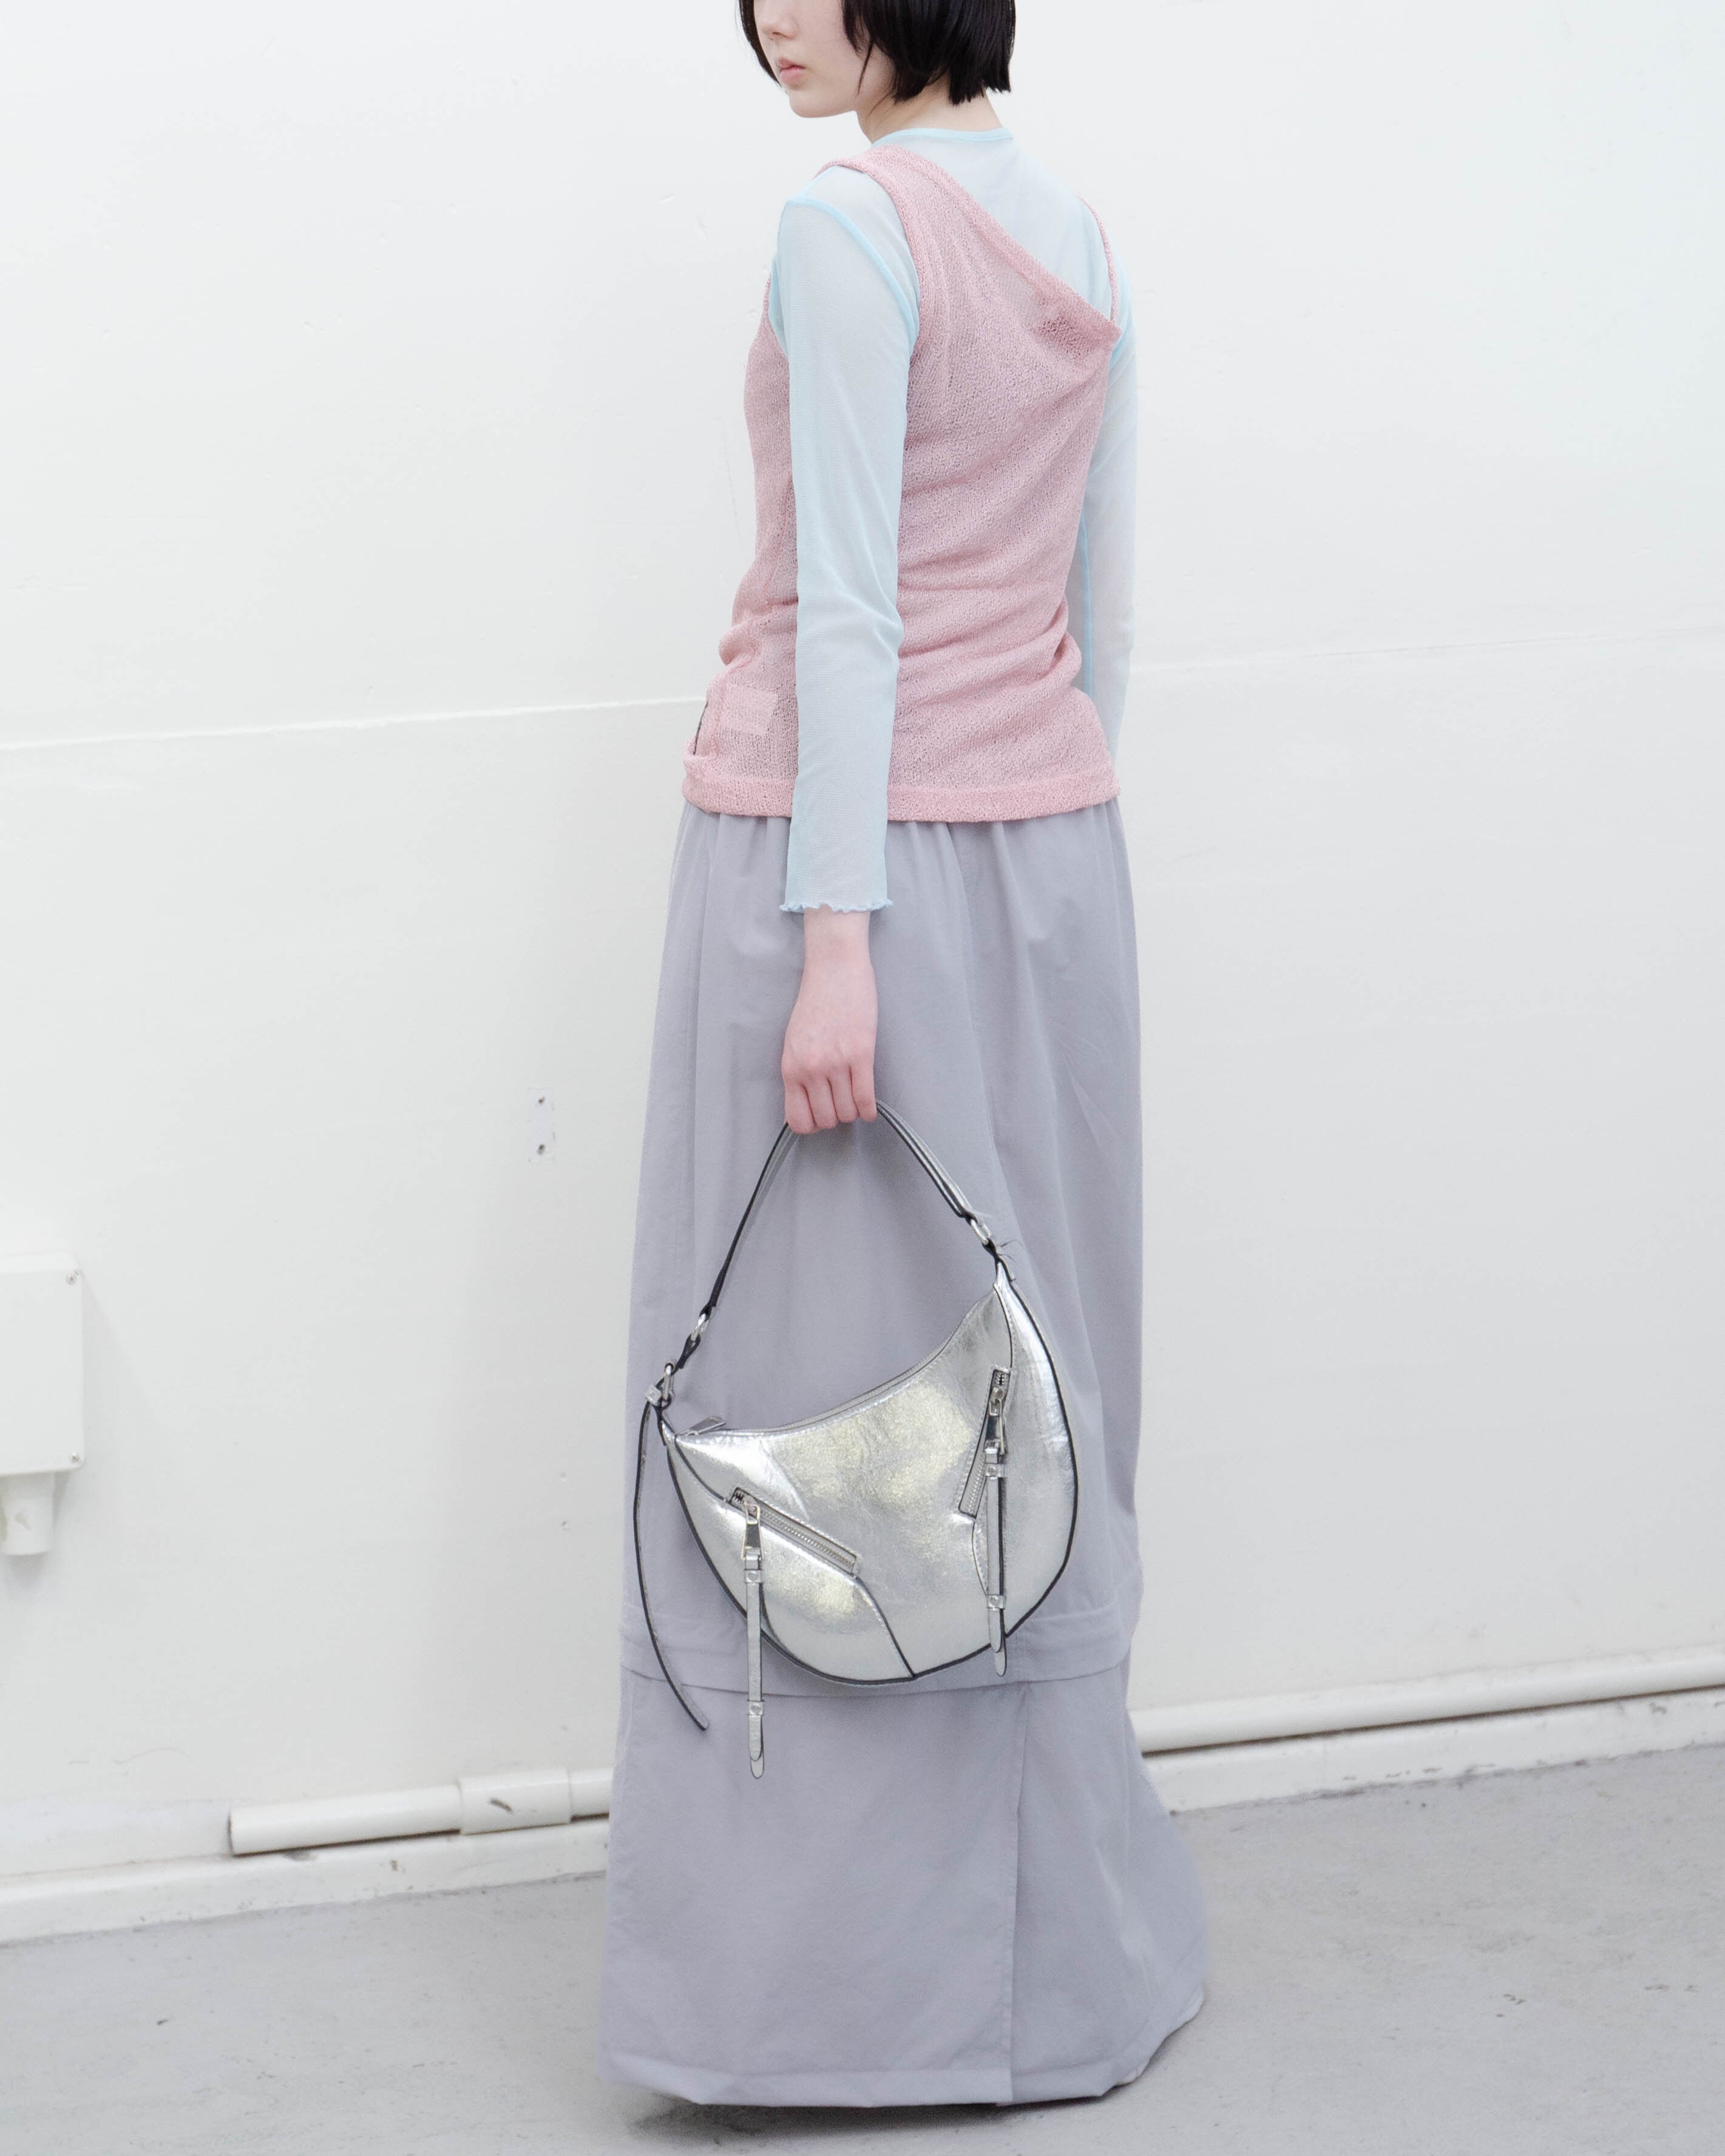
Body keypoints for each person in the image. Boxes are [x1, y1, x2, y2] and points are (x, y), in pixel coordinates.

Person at [597, 0, 1208, 2107]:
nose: (768, 17)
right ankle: (1061, 1977)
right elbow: (1099, 608)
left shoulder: (846, 223)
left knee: (804, 1402)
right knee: (1030, 1406)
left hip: (836, 869)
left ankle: (813, 2007)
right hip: (1047, 863)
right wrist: (1033, 814)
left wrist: (837, 942)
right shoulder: (1081, 231)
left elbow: (847, 609)